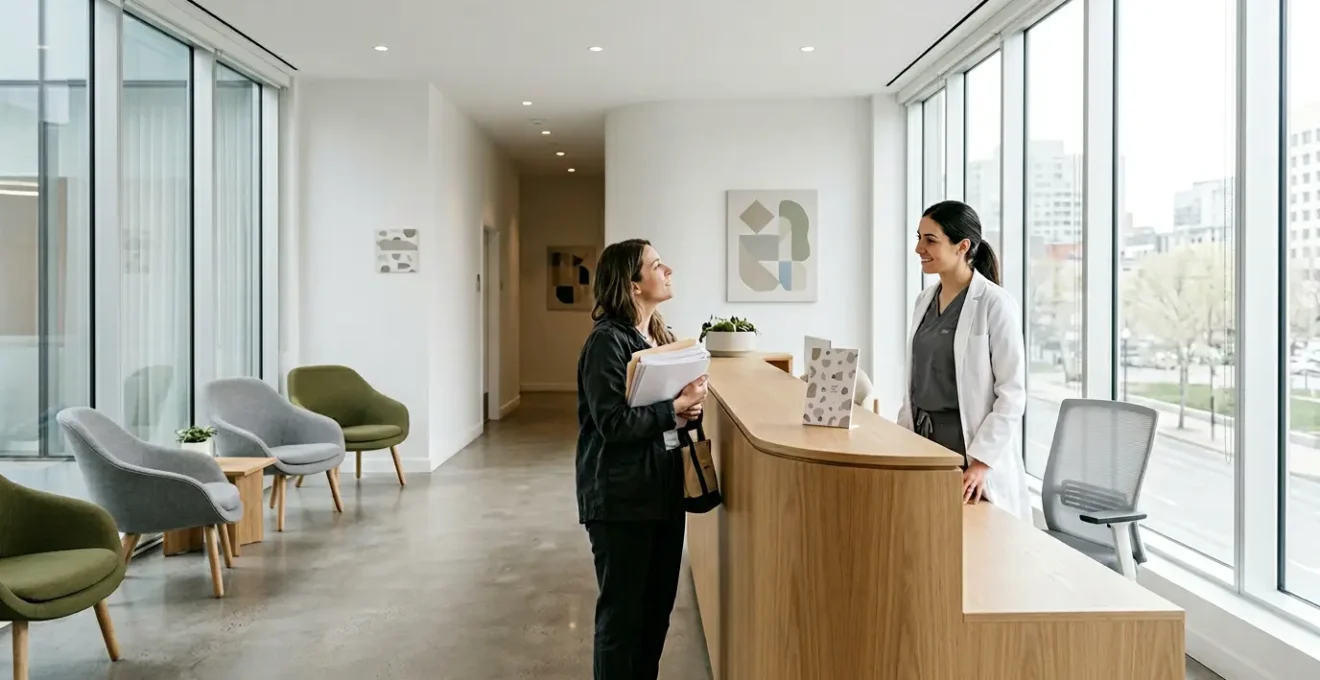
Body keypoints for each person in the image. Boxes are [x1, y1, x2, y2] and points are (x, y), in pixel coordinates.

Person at [576, 238, 707, 680]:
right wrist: (674, 408)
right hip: (620, 498)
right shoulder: (606, 344)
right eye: (655, 265)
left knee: (655, 615)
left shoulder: (661, 337)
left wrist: (689, 408)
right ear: (633, 285)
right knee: (623, 619)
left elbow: (665, 418)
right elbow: (612, 423)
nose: (667, 269)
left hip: (662, 491)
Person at [897, 200, 1031, 520]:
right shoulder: (924, 301)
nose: (919, 248)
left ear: (963, 246)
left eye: (930, 240)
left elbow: (1012, 393)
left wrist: (982, 462)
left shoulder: (995, 304)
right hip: (923, 444)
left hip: (968, 454)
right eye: (918, 237)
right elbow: (916, 381)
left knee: (970, 553)